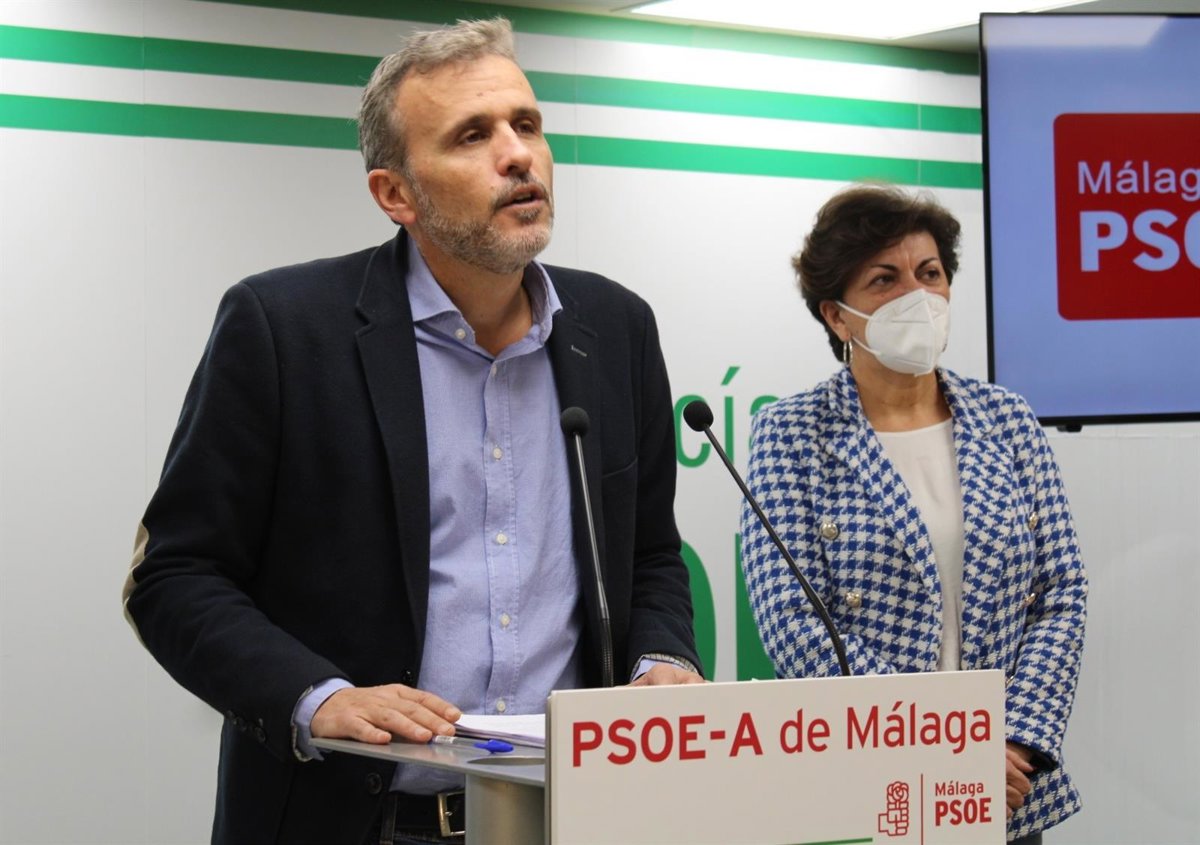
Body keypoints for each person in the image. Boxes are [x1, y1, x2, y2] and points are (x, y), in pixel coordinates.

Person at [123, 18, 702, 845]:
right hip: (354, 820)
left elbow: (648, 555)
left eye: (526, 124)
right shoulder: (283, 328)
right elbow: (175, 575)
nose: (518, 155)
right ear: (395, 194)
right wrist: (318, 697)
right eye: (473, 135)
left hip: (568, 818)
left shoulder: (615, 327)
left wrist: (662, 661)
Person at [740, 184, 1087, 844]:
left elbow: (1061, 593)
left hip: (1005, 787)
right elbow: (793, 623)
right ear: (837, 316)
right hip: (869, 782)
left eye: (930, 273)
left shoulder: (1007, 419)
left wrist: (1012, 741)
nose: (917, 296)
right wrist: (943, 746)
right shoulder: (790, 434)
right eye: (885, 279)